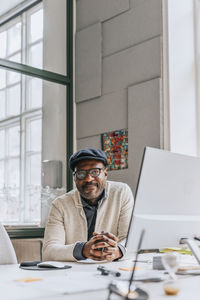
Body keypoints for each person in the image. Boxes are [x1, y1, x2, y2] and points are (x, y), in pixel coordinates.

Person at [42, 148, 134, 262]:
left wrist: (119, 250)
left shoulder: (121, 193)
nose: (88, 178)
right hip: (72, 274)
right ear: (75, 177)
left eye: (95, 172)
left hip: (112, 270)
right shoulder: (60, 204)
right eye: (81, 173)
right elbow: (48, 252)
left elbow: (130, 239)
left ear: (105, 173)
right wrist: (82, 250)